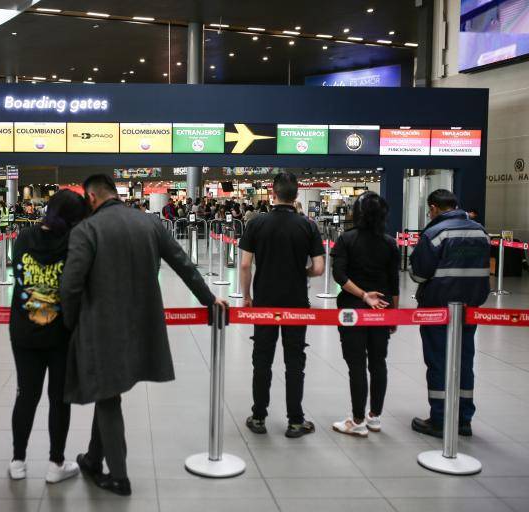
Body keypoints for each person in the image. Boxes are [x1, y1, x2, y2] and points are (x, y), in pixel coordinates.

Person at [61, 174, 227, 496]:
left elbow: (70, 285)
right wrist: (209, 299)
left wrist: (68, 324)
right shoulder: (149, 224)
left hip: (101, 327)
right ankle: (94, 459)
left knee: (107, 395)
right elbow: (183, 263)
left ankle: (119, 477)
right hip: (142, 325)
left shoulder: (87, 230)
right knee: (109, 391)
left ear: (91, 198)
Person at [8, 190, 90, 483]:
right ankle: (56, 463)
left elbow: (17, 275)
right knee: (59, 399)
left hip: (23, 330)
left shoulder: (24, 237)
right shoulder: (74, 242)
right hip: (61, 334)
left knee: (25, 395)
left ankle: (18, 460)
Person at [239, 171, 325, 438]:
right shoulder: (308, 226)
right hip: (296, 303)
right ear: (297, 195)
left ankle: (258, 417)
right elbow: (319, 268)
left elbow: (244, 265)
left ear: (272, 193)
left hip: (264, 300)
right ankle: (295, 421)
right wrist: (303, 273)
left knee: (262, 360)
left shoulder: (256, 223)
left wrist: (247, 296)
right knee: (295, 362)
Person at [410, 189, 490, 438]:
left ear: (433, 208)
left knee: (438, 362)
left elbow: (419, 274)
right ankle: (464, 418)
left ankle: (440, 419)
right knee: (465, 361)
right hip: (470, 309)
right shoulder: (480, 232)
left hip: (438, 308)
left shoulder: (435, 233)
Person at [330, 192, 400, 437]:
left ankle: (357, 419)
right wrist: (394, 314)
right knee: (378, 362)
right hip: (382, 310)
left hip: (352, 310)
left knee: (356, 364)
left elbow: (339, 275)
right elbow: (394, 283)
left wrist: (362, 295)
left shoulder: (347, 240)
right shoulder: (391, 243)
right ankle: (374, 416)